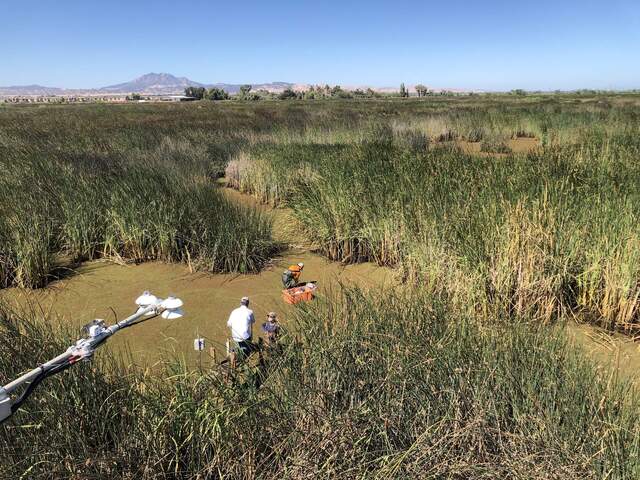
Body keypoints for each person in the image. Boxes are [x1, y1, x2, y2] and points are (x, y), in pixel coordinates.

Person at [226, 296, 255, 366]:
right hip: (246, 337)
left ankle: (236, 360)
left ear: (241, 303)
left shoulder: (234, 311)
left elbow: (229, 324)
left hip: (235, 336)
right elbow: (253, 321)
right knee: (246, 352)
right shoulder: (250, 312)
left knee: (238, 349)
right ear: (248, 304)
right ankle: (246, 360)